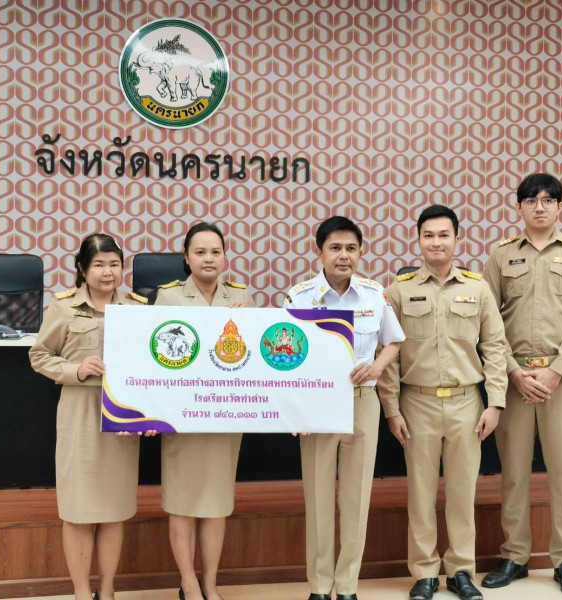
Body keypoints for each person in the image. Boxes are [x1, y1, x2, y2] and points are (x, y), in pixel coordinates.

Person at [376, 206, 507, 600]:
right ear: (418, 240)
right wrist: (392, 409)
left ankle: (461, 571)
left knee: (463, 494)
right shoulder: (398, 291)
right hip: (417, 404)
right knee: (420, 494)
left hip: (468, 403)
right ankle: (425, 573)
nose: (436, 242)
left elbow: (495, 347)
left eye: (443, 235)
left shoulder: (477, 288)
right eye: (429, 235)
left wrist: (495, 403)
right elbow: (388, 354)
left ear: (456, 239)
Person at [481, 174, 562, 598]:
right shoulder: (501, 255)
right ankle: (515, 556)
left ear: (560, 206)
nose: (540, 207)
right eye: (531, 200)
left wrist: (556, 371)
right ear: (518, 207)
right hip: (513, 381)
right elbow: (488, 321)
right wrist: (514, 372)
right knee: (514, 473)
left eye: (549, 200)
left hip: (560, 380)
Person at [283, 216, 405, 600]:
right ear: (318, 251)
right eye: (335, 247)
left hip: (362, 403)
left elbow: (394, 342)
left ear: (361, 252)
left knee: (357, 497)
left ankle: (348, 585)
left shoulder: (373, 294)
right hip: (317, 406)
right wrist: (295, 409)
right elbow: (283, 357)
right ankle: (320, 586)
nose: (343, 256)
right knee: (318, 498)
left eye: (351, 248)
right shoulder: (300, 297)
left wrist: (377, 367)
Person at [29, 233, 151, 600]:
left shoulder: (137, 307)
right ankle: (82, 592)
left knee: (114, 509)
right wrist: (76, 369)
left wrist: (149, 414)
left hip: (122, 416)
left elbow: (153, 365)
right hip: (80, 412)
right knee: (78, 510)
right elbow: (39, 356)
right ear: (82, 269)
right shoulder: (64, 306)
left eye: (114, 264)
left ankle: (107, 590)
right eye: (98, 264)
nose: (107, 272)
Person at [155, 221, 255, 600]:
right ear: (186, 257)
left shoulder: (242, 297)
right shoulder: (168, 298)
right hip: (183, 416)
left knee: (216, 504)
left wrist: (246, 324)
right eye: (200, 252)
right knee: (182, 504)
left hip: (226, 414)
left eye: (215, 251)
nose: (208, 258)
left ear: (225, 256)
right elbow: (157, 356)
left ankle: (211, 583)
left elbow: (253, 357)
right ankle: (189, 583)